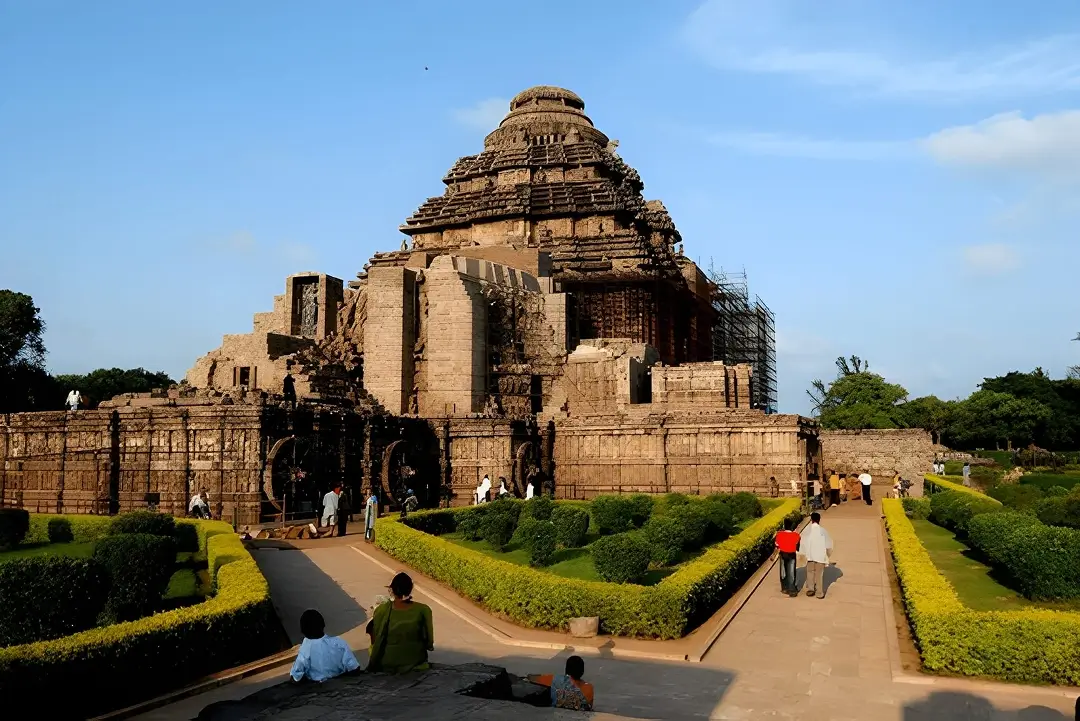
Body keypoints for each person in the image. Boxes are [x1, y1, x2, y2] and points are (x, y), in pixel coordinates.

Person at [367, 572, 434, 674]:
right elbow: (429, 643)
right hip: (415, 662)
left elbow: (376, 639)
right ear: (410, 589)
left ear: (392, 590)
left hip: (387, 663)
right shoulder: (424, 610)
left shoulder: (382, 610)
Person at [290, 609, 360, 682]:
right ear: (323, 625)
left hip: (319, 688)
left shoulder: (306, 649)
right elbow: (354, 668)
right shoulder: (339, 643)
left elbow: (295, 677)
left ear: (303, 631)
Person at [529, 656, 594, 712]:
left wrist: (529, 676)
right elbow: (589, 706)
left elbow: (533, 678)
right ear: (582, 672)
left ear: (566, 669)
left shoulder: (556, 679)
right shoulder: (589, 688)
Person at [801, 512, 833, 599]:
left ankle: (811, 589)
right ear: (819, 520)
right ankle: (819, 593)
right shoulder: (823, 531)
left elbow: (802, 543)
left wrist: (803, 554)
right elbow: (829, 545)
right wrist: (827, 555)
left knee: (810, 572)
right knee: (819, 575)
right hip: (820, 556)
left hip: (810, 556)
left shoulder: (807, 530)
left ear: (811, 519)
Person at [774, 517, 801, 596]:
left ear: (784, 526)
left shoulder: (779, 534)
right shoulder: (796, 535)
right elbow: (797, 547)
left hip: (782, 554)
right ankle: (791, 589)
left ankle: (784, 588)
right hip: (792, 555)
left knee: (783, 571)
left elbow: (777, 545)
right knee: (791, 571)